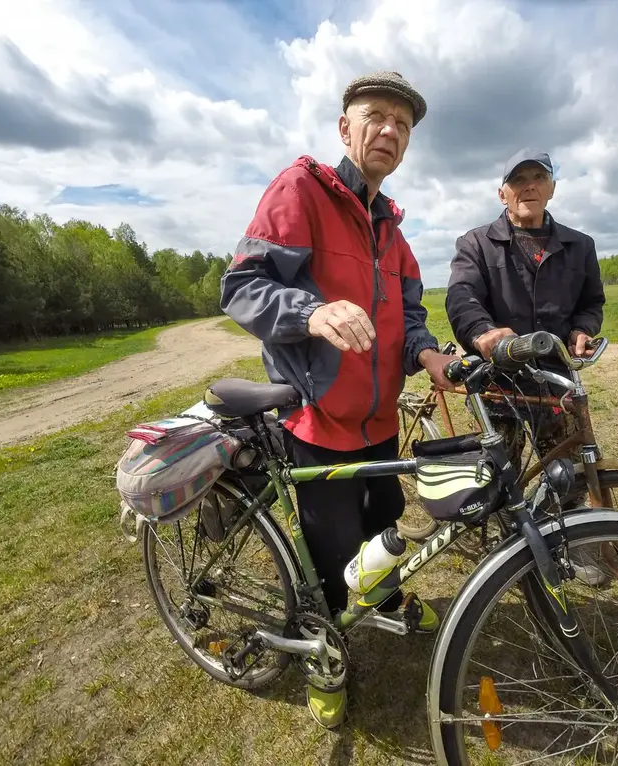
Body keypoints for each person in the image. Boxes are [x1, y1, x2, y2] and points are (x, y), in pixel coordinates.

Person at [220, 71, 459, 730]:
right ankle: (326, 655)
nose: (389, 130)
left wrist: (429, 353)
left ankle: (382, 602)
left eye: (403, 125)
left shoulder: (394, 230)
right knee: (332, 561)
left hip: (379, 422)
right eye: (376, 116)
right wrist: (312, 311)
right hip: (318, 422)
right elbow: (241, 285)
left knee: (384, 526)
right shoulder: (302, 191)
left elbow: (410, 318)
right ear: (345, 128)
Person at [445, 148, 607, 474]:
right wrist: (483, 332)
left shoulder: (581, 246)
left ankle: (564, 526)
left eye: (538, 178)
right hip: (499, 383)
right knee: (500, 485)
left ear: (552, 188)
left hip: (556, 381)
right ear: (502, 194)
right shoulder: (476, 243)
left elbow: (591, 302)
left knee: (572, 479)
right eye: (518, 179)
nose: (529, 186)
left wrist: (581, 329)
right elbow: (461, 295)